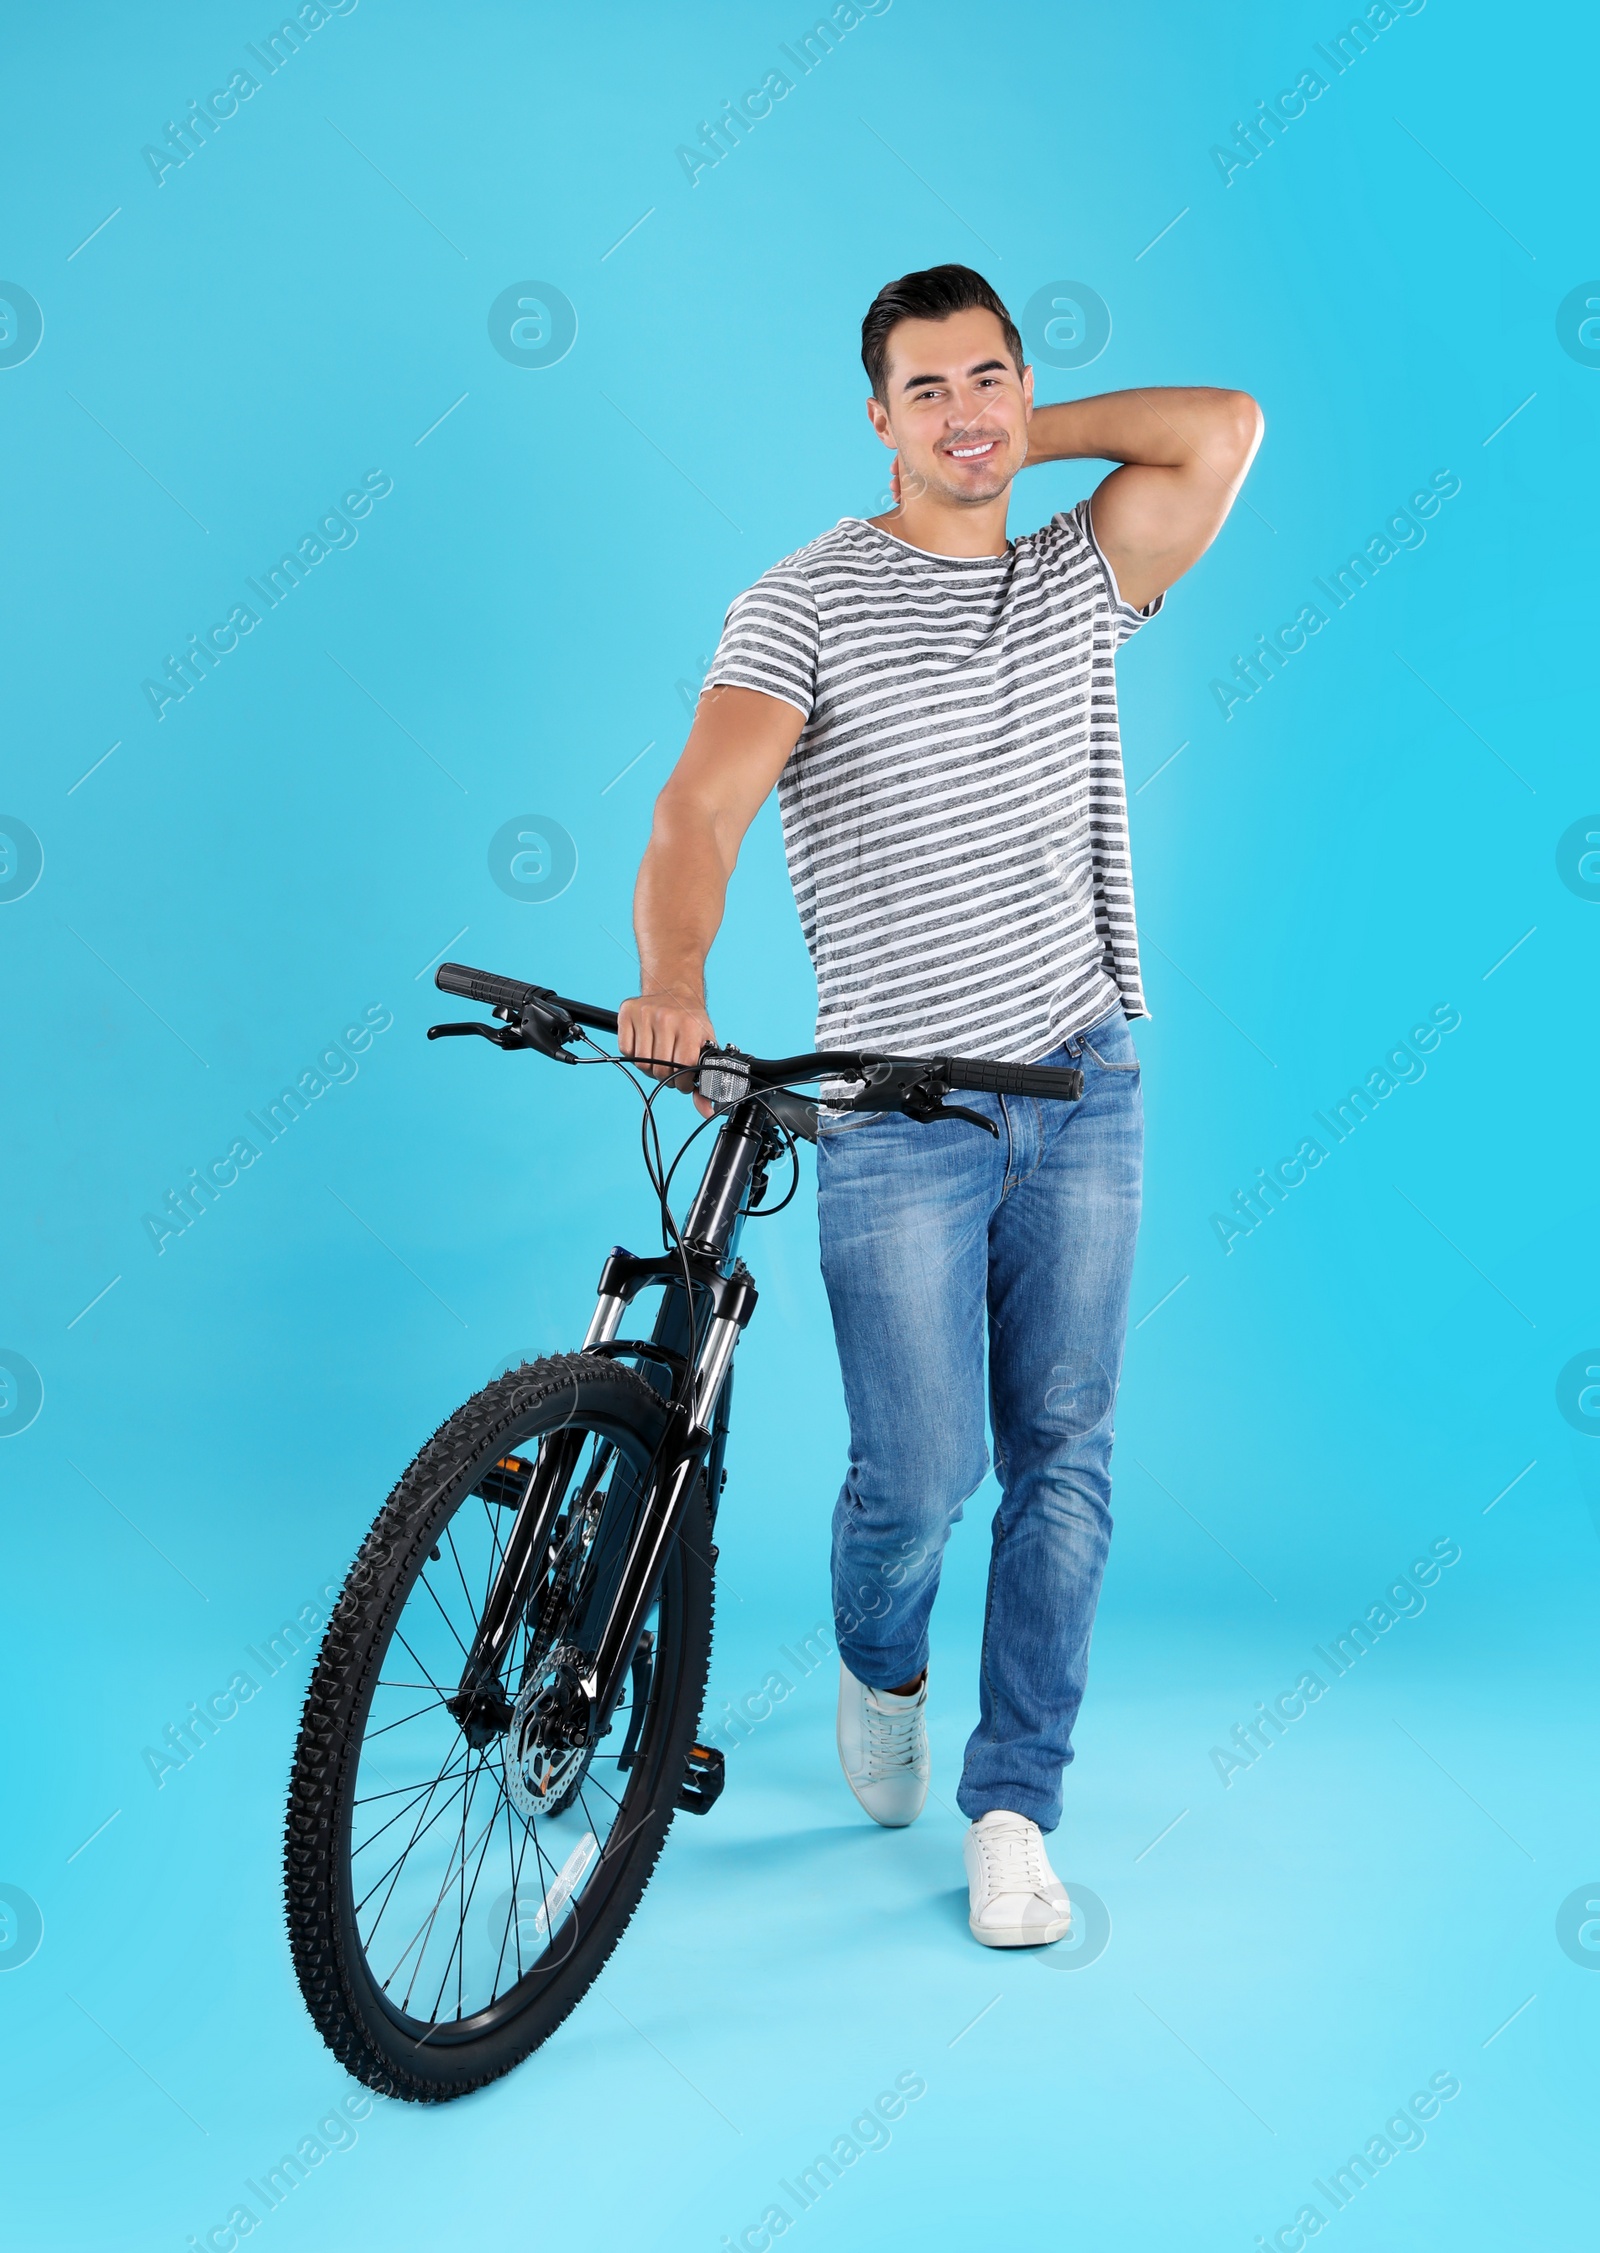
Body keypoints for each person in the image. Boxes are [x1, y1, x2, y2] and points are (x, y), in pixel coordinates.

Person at [619, 263, 1261, 1947]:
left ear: (1023, 391)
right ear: (875, 416)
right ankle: (880, 1665)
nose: (968, 414)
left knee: (1065, 1456)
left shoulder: (1073, 580)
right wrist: (677, 972)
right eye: (930, 390)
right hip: (894, 1109)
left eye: (992, 381)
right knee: (916, 1478)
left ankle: (1014, 1802)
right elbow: (703, 805)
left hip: (1078, 1077)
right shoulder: (806, 599)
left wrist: (1024, 441)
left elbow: (1221, 432)